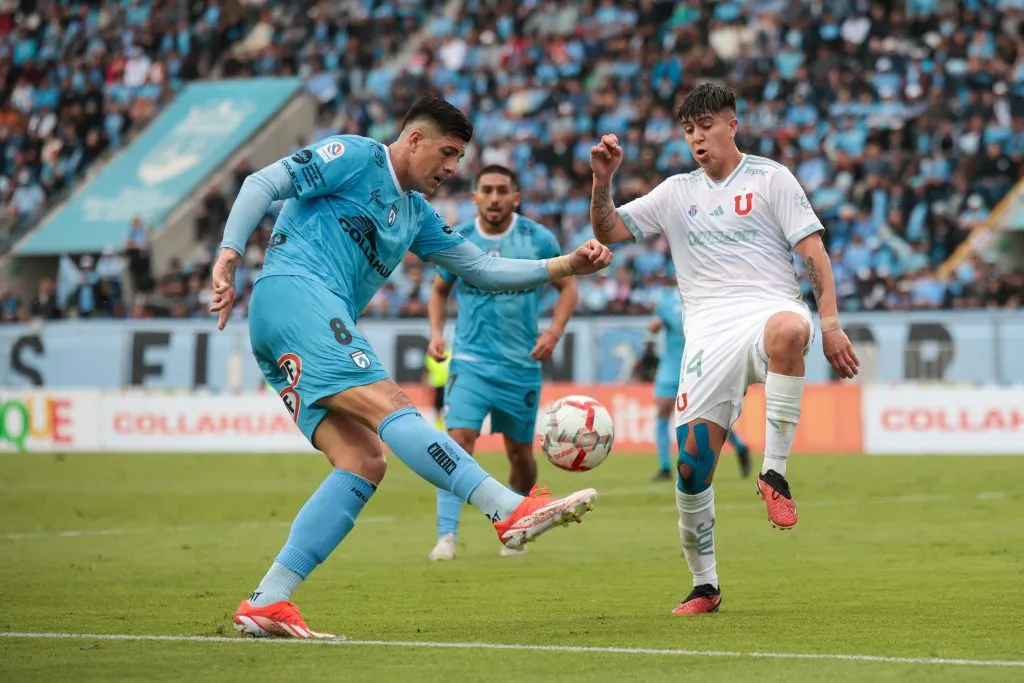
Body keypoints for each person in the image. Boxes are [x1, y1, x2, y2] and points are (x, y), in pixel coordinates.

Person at [210, 94, 613, 638]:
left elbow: (481, 268)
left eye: (459, 160)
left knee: (363, 460)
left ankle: (268, 600)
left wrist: (567, 264)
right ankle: (506, 510)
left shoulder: (417, 215)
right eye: (447, 154)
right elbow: (261, 183)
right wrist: (230, 253)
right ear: (414, 139)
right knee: (392, 406)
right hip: (296, 294)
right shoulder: (355, 156)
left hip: (292, 321)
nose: (451, 169)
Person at [587, 83, 859, 615]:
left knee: (789, 331)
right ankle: (705, 585)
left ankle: (774, 471)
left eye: (706, 126)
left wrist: (829, 325)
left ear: (732, 125)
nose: (697, 138)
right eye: (689, 129)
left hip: (766, 309)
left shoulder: (770, 178)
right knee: (691, 471)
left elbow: (814, 253)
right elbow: (607, 226)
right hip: (707, 335)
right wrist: (603, 180)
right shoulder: (674, 192)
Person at [425, 165, 578, 561]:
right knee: (457, 443)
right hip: (471, 362)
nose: (494, 198)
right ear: (474, 198)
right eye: (487, 190)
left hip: (520, 366)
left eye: (502, 190)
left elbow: (568, 286)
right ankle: (446, 535)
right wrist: (437, 333)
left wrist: (553, 332)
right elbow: (440, 289)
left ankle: (518, 527)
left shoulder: (537, 238)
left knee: (520, 456)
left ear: (515, 197)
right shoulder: (458, 239)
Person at [647, 285, 751, 482]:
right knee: (662, 411)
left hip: (698, 363)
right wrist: (654, 326)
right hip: (671, 365)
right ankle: (665, 467)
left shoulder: (705, 297)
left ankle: (739, 446)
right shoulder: (666, 300)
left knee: (708, 415)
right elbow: (656, 323)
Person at [422, 348, 450, 430]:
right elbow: (427, 371)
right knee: (438, 407)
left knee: (448, 406)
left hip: (448, 384)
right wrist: (426, 386)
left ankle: (448, 425)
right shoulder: (430, 356)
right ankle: (439, 426)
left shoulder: (450, 353)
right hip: (437, 385)